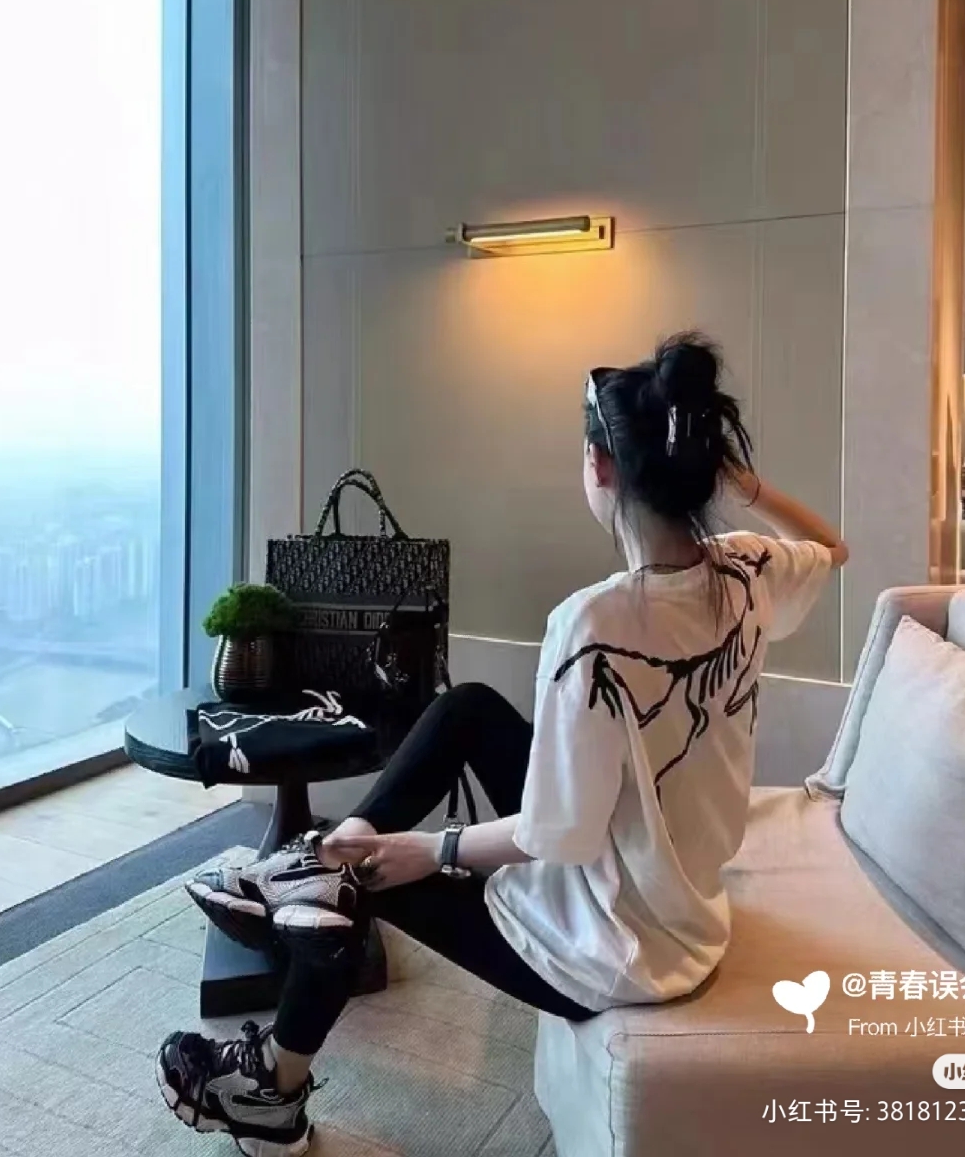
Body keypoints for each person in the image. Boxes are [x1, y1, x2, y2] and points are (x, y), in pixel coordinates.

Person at [157, 332, 848, 1157]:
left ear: (599, 467)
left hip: (613, 950)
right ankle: (321, 861)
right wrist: (742, 483)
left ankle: (274, 1085)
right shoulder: (746, 569)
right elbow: (834, 548)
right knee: (470, 710)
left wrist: (428, 848)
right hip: (681, 911)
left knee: (356, 883)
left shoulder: (593, 626)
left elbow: (560, 836)